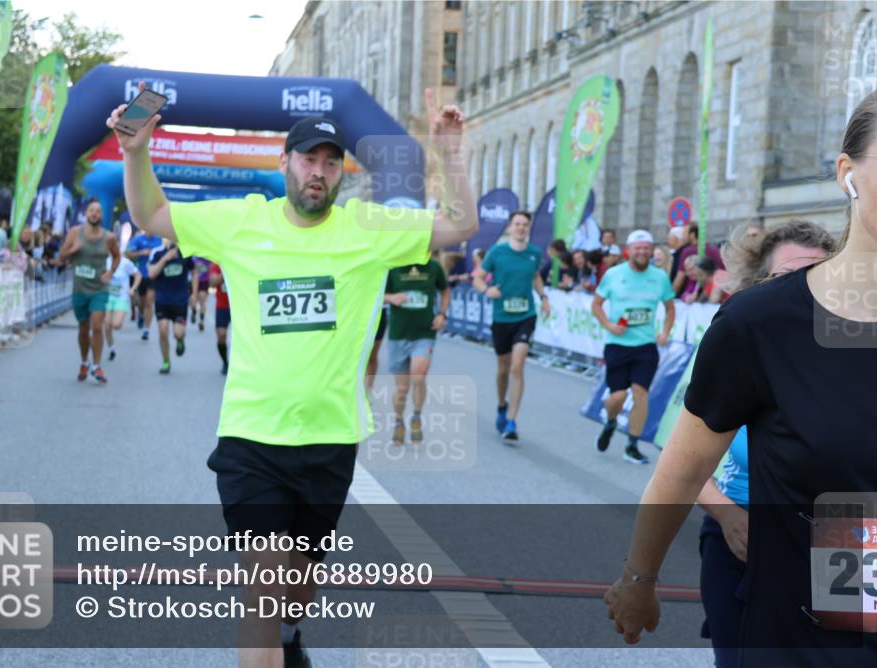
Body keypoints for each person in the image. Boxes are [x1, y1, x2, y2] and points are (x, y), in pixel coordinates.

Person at [107, 84, 477, 668]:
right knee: (260, 595)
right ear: (285, 162)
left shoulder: (369, 228)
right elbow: (150, 213)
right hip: (252, 439)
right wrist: (135, 153)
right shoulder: (241, 223)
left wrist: (451, 155)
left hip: (330, 442)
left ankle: (290, 633)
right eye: (309, 159)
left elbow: (459, 226)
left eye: (332, 163)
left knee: (295, 594)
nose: (320, 172)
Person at [604, 88, 877, 667]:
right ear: (847, 173)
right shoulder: (761, 325)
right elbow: (682, 470)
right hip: (810, 637)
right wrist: (639, 578)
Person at [694, 219, 836, 668]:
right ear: (759, 285)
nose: (800, 292)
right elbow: (682, 468)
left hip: (840, 541)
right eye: (784, 280)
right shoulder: (735, 350)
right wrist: (728, 515)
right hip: (743, 536)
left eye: (814, 276)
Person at [590, 229, 676, 464]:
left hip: (645, 346)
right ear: (629, 250)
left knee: (641, 394)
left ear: (651, 251)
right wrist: (609, 325)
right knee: (616, 397)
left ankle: (632, 444)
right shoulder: (614, 274)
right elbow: (596, 304)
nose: (643, 252)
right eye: (638, 248)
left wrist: (665, 332)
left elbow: (670, 307)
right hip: (617, 345)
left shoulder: (659, 277)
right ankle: (610, 421)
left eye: (647, 248)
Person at [473, 211, 551, 441]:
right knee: (503, 369)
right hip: (502, 318)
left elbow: (535, 276)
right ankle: (501, 404)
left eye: (525, 225)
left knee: (518, 366)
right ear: (509, 227)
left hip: (525, 315)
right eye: (517, 224)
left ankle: (512, 420)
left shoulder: (534, 253)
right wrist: (487, 290)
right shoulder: (497, 252)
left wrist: (543, 296)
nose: (520, 228)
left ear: (528, 228)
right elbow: (478, 278)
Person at [384, 252, 451, 445]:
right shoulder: (392, 266)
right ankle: (398, 421)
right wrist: (391, 297)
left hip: (425, 333)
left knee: (418, 377)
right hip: (398, 334)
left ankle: (416, 416)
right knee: (402, 388)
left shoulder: (434, 267)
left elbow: (445, 291)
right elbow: (375, 295)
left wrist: (442, 314)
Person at [54, 201, 119, 383]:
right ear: (86, 214)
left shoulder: (109, 237)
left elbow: (117, 255)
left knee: (97, 326)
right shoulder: (75, 233)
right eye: (91, 210)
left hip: (99, 288)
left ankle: (97, 367)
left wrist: (110, 272)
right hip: (80, 289)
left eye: (98, 211)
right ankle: (84, 362)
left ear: (102, 215)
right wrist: (72, 250)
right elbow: (61, 257)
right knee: (83, 328)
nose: (94, 214)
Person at [147, 241, 197, 374]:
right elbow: (151, 274)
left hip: (180, 300)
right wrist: (165, 259)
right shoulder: (157, 253)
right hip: (162, 299)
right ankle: (166, 361)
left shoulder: (185, 252)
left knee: (178, 333)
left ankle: (180, 340)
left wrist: (194, 294)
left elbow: (195, 271)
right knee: (163, 330)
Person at [126, 228, 165, 339]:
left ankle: (146, 330)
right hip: (140, 275)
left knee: (149, 302)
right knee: (140, 302)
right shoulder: (138, 239)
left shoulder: (159, 240)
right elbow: (127, 254)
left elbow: (165, 253)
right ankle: (141, 314)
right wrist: (141, 252)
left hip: (153, 275)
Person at [105, 254, 142, 361]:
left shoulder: (125, 262)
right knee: (107, 325)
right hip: (107, 297)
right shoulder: (104, 261)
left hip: (121, 297)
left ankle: (114, 325)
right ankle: (111, 348)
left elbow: (138, 275)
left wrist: (133, 289)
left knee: (116, 325)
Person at [671, 223, 725, 296]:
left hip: (694, 296)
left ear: (692, 235)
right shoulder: (714, 250)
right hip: (712, 294)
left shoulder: (687, 251)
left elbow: (680, 279)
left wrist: (670, 298)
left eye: (684, 234)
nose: (682, 237)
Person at [211, 262, 231, 375]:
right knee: (221, 335)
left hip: (239, 306)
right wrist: (227, 270)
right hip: (223, 305)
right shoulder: (217, 265)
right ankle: (225, 362)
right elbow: (212, 282)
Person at [191, 256, 213, 331]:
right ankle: (194, 311)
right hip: (194, 281)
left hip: (204, 282)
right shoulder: (193, 258)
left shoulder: (208, 258)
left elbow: (212, 268)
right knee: (193, 300)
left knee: (202, 301)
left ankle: (201, 321)